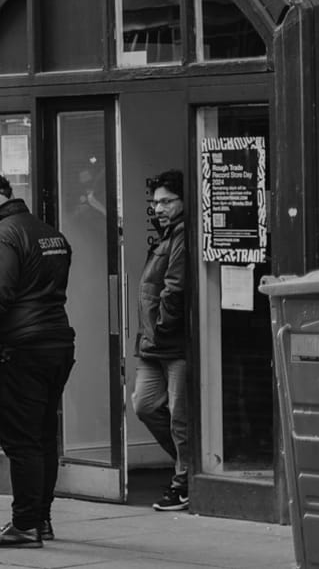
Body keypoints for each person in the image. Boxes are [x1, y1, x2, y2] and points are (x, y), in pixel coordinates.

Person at [0, 172, 74, 549]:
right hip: (55, 343)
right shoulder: (50, 233)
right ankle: (40, 519)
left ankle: (25, 526)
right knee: (42, 437)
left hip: (18, 351)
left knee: (21, 440)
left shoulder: (2, 236)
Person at [135, 170, 192, 513]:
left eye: (167, 201)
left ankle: (183, 481)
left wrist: (161, 327)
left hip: (170, 343)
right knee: (145, 405)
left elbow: (174, 289)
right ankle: (188, 464)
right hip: (152, 346)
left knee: (180, 418)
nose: (159, 208)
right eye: (155, 202)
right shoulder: (166, 237)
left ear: (183, 201)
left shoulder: (182, 237)